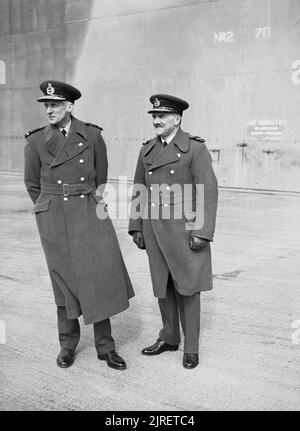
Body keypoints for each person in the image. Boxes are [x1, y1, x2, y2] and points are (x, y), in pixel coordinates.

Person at [24, 80, 134, 370]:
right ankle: (67, 345)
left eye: (55, 105)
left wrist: (86, 201)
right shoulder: (35, 141)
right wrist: (48, 209)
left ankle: (105, 347)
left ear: (70, 106)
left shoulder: (93, 136)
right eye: (46, 105)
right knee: (63, 281)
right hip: (54, 215)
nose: (49, 110)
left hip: (87, 209)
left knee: (97, 275)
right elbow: (32, 184)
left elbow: (101, 177)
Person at [129, 94, 218, 369]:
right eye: (154, 116)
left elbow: (208, 191)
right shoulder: (147, 150)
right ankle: (168, 337)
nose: (156, 120)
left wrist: (202, 231)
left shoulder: (194, 148)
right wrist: (136, 226)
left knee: (189, 287)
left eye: (162, 116)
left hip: (184, 229)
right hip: (154, 229)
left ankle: (191, 347)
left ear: (177, 119)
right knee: (163, 287)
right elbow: (139, 188)